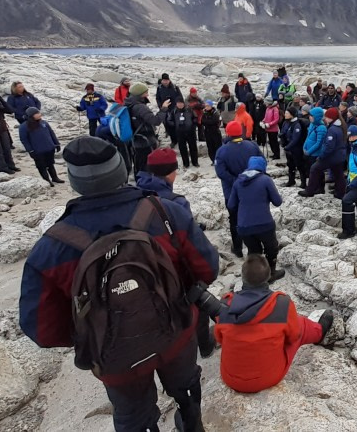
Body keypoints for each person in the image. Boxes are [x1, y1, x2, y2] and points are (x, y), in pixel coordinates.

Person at [20, 136, 219, 431]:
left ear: (73, 181)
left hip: (114, 356)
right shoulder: (166, 213)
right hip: (175, 331)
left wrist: (94, 329)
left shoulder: (50, 248)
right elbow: (207, 268)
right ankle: (191, 423)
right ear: (120, 169)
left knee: (132, 414)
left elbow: (42, 329)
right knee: (186, 385)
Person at [135, 147, 217, 358]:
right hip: (175, 267)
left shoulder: (135, 194)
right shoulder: (176, 202)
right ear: (171, 172)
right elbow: (189, 240)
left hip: (144, 267)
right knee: (196, 309)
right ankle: (204, 344)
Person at [214, 255, 334, 393]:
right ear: (268, 276)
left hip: (231, 378)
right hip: (267, 378)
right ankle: (320, 332)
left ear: (242, 277)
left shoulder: (225, 304)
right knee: (299, 324)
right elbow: (294, 336)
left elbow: (219, 338)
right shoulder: (281, 303)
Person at [227, 156, 286, 281]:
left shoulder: (238, 181)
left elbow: (231, 205)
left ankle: (255, 278)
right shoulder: (265, 180)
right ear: (263, 167)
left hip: (244, 227)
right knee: (272, 248)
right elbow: (277, 202)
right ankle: (271, 273)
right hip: (264, 224)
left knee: (254, 251)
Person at [215, 122, 263, 257]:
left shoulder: (222, 150)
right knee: (253, 217)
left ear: (228, 133)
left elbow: (221, 172)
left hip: (231, 192)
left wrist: (236, 181)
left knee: (235, 219)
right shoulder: (252, 146)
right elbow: (262, 162)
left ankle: (237, 248)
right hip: (252, 188)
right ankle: (255, 249)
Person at [124, 82, 170, 179]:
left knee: (138, 164)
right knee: (146, 166)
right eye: (146, 92)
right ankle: (145, 186)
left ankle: (139, 182)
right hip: (145, 141)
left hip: (135, 140)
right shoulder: (140, 107)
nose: (147, 94)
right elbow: (155, 121)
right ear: (140, 94)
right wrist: (164, 109)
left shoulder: (129, 103)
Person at [19, 108, 64, 187]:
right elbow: (24, 140)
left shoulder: (43, 123)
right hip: (37, 151)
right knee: (41, 166)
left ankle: (55, 178)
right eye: (37, 113)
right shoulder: (24, 127)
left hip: (49, 148)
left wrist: (56, 144)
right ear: (31, 116)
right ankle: (46, 180)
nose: (39, 114)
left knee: (50, 164)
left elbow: (51, 133)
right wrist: (30, 151)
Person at [280, 107, 308, 188]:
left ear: (292, 114)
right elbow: (283, 132)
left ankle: (303, 183)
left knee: (300, 166)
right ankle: (291, 180)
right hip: (288, 148)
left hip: (296, 149)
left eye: (287, 113)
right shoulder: (286, 122)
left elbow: (296, 139)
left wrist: (287, 147)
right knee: (290, 165)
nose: (285, 115)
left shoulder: (297, 124)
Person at [168, 99, 199, 168]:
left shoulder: (189, 109)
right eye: (178, 103)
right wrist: (175, 124)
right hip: (180, 132)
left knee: (193, 147)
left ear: (184, 103)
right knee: (182, 148)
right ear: (176, 104)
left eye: (181, 103)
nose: (180, 105)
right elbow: (169, 120)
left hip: (190, 131)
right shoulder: (174, 111)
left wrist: (193, 125)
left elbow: (195, 117)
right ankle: (186, 163)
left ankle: (195, 162)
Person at [302, 107, 328, 181]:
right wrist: (304, 147)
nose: (309, 117)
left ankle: (319, 187)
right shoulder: (312, 125)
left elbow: (319, 143)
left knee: (317, 172)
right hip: (308, 152)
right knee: (310, 171)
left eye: (311, 116)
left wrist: (309, 151)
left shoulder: (322, 128)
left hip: (315, 154)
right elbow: (308, 137)